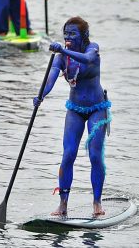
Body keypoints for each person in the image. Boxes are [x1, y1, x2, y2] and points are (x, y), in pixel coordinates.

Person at [34, 17, 112, 217]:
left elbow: (86, 60)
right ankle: (63, 205)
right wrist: (41, 94)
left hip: (97, 108)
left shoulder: (92, 49)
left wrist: (62, 50)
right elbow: (51, 78)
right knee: (68, 154)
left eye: (72, 34)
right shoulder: (61, 58)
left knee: (95, 155)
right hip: (75, 109)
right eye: (66, 33)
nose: (68, 37)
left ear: (84, 36)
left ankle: (97, 203)